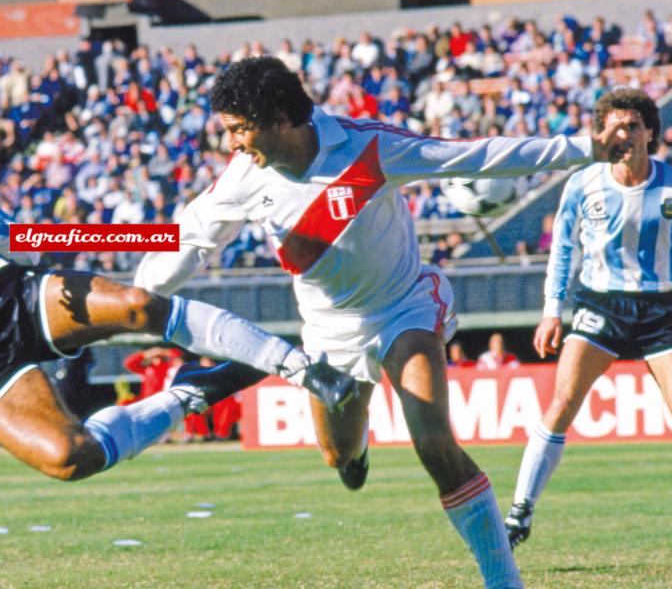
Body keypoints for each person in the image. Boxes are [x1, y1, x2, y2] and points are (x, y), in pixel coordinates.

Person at [135, 56, 625, 589]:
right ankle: (356, 449)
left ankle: (503, 582)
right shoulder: (243, 177)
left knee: (434, 443)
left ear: (278, 117)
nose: (231, 143)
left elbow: (474, 156)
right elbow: (185, 239)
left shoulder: (368, 146)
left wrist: (587, 147)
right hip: (326, 333)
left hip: (404, 307)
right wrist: (135, 297)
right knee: (337, 455)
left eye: (238, 128)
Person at [0, 69, 354, 481]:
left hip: (10, 297)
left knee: (139, 303)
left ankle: (297, 366)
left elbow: (20, 241)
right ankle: (190, 393)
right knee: (70, 458)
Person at [504, 88, 672, 563]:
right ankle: (520, 512)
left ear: (650, 133)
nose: (624, 135)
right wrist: (550, 309)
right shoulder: (582, 184)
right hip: (600, 305)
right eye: (614, 126)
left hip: (661, 308)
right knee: (560, 404)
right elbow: (562, 249)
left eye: (633, 126)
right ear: (602, 134)